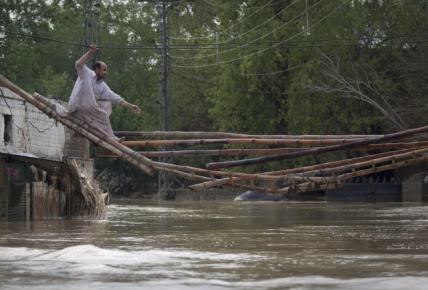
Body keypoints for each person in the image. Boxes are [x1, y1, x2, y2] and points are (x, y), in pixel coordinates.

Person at [62, 44, 141, 138]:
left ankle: (107, 136)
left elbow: (116, 98)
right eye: (104, 70)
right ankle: (112, 138)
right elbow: (78, 64)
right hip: (75, 107)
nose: (105, 73)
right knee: (103, 115)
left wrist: (130, 106)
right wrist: (90, 52)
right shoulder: (86, 73)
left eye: (106, 70)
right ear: (96, 69)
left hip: (85, 112)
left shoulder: (102, 86)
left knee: (106, 108)